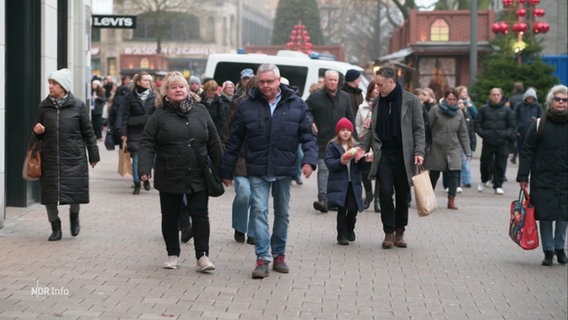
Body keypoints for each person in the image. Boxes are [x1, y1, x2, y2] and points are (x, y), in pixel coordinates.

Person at [220, 63, 318, 279]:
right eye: (261, 82)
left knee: (282, 213)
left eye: (269, 82)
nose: (266, 86)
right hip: (257, 166)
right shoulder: (247, 105)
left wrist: (309, 160)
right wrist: (226, 170)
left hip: (284, 168)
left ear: (278, 80)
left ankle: (279, 255)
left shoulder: (296, 104)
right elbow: (234, 139)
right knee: (259, 212)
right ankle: (262, 258)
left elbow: (308, 136)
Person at [138, 71, 222, 271]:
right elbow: (147, 143)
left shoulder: (201, 111)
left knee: (200, 215)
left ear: (188, 89)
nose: (178, 90)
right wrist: (144, 168)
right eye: (173, 87)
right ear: (166, 92)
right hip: (169, 172)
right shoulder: (158, 115)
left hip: (198, 172)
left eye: (181, 86)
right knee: (170, 216)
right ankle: (172, 254)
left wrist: (222, 169)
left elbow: (214, 140)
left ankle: (202, 256)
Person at [358, 66, 425, 249]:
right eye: (377, 85)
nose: (377, 88)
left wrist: (419, 152)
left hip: (405, 155)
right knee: (385, 193)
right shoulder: (378, 102)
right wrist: (363, 148)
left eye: (380, 85)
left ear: (391, 82)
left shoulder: (410, 101)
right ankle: (388, 231)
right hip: (385, 154)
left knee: (403, 195)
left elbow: (419, 129)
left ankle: (400, 230)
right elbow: (372, 130)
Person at [32, 68, 100, 241]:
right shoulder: (44, 106)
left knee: (74, 192)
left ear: (63, 86)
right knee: (49, 195)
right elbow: (36, 133)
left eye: (54, 83)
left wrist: (93, 155)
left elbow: (88, 132)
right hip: (49, 156)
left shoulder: (78, 105)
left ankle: (74, 215)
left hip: (73, 157)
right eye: (50, 83)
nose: (51, 86)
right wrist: (37, 131)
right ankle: (55, 227)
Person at [516, 84, 567, 266]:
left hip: (565, 177)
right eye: (557, 99)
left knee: (563, 214)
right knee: (545, 215)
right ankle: (548, 250)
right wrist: (523, 177)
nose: (561, 102)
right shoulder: (540, 124)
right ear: (550, 102)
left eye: (564, 100)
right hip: (543, 177)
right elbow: (528, 151)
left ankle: (560, 248)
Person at [307, 70, 355, 213]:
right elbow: (305, 111)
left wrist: (354, 137)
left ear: (338, 81)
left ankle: (336, 199)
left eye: (335, 80)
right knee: (323, 168)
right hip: (323, 140)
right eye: (330, 80)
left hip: (341, 141)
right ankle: (323, 199)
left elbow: (350, 116)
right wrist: (311, 122)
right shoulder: (315, 97)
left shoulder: (345, 97)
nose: (332, 82)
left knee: (340, 169)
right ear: (325, 81)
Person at [220, 76, 259, 245]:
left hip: (261, 158)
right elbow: (228, 131)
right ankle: (239, 226)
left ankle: (252, 232)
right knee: (244, 193)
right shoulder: (239, 104)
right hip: (241, 157)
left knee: (257, 198)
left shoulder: (271, 105)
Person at [325, 118, 372, 245]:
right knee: (342, 208)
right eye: (342, 130)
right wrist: (340, 162)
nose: (345, 133)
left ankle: (350, 228)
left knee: (353, 208)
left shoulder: (357, 146)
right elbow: (329, 163)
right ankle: (341, 234)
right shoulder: (333, 146)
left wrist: (366, 161)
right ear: (338, 132)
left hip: (353, 183)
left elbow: (361, 166)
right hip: (340, 183)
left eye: (348, 130)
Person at [425, 88, 471, 210]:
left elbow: (463, 133)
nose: (451, 101)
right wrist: (424, 146)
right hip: (436, 146)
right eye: (449, 99)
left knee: (454, 173)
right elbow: (427, 128)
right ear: (444, 98)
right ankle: (429, 199)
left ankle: (451, 200)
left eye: (454, 99)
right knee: (434, 174)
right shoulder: (435, 110)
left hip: (453, 147)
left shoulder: (459, 113)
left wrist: (467, 151)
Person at [474, 88, 515, 195]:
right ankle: (484, 180)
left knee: (501, 164)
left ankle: (498, 185)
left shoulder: (507, 110)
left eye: (498, 94)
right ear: (490, 96)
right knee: (485, 163)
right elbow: (477, 124)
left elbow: (512, 126)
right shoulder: (484, 109)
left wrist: (506, 134)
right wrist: (484, 134)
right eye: (494, 94)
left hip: (502, 142)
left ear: (501, 96)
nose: (496, 96)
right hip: (488, 141)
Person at [120, 72, 156, 194]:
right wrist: (123, 132)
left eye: (148, 80)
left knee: (148, 158)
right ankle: (136, 183)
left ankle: (145, 178)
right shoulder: (130, 97)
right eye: (145, 80)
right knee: (136, 158)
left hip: (149, 132)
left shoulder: (154, 96)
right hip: (134, 132)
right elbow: (125, 116)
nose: (147, 82)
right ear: (138, 82)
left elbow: (157, 115)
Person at [356, 80, 380, 211]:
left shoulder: (385, 105)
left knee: (380, 172)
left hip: (379, 144)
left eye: (378, 88)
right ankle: (369, 194)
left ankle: (378, 199)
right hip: (365, 141)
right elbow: (357, 125)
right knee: (365, 171)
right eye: (374, 89)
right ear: (370, 91)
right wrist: (363, 132)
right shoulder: (362, 107)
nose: (377, 90)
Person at [513, 87, 543, 164]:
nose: (530, 100)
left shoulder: (538, 106)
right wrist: (516, 130)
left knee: (532, 150)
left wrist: (536, 120)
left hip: (533, 132)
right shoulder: (519, 105)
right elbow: (514, 118)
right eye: (528, 98)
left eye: (532, 98)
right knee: (521, 150)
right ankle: (522, 163)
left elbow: (541, 118)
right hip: (521, 133)